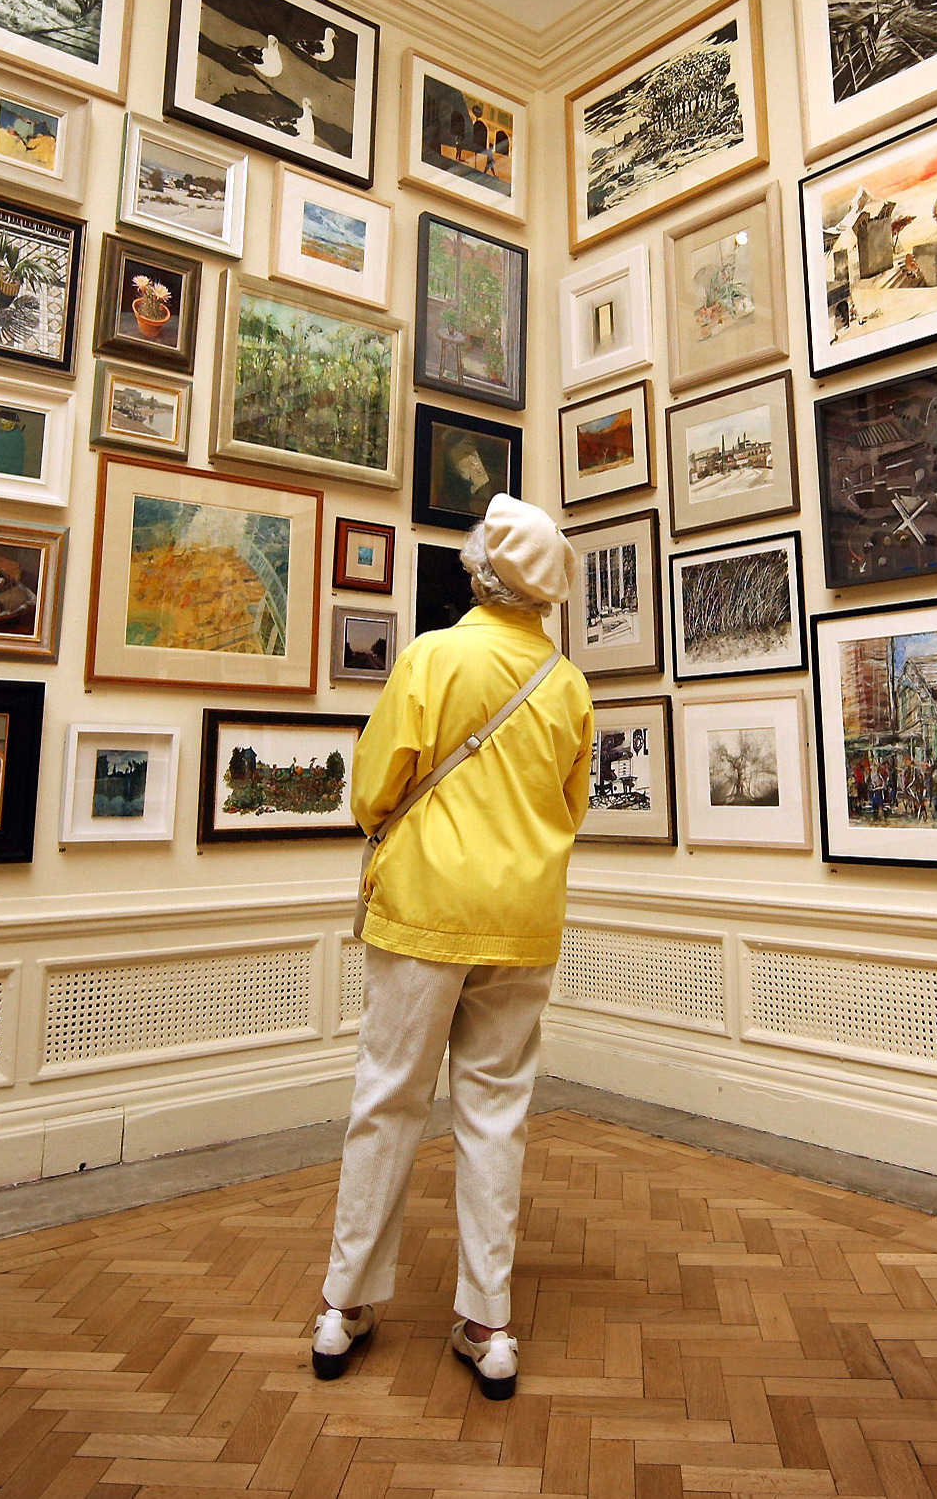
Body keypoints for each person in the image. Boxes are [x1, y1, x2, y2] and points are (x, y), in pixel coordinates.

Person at [311, 494, 592, 1402]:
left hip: (427, 910)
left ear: (480, 571)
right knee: (495, 1115)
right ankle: (489, 1323)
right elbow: (571, 809)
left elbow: (374, 785)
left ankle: (344, 1306)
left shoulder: (435, 655)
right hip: (523, 919)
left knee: (388, 1101)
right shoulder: (567, 682)